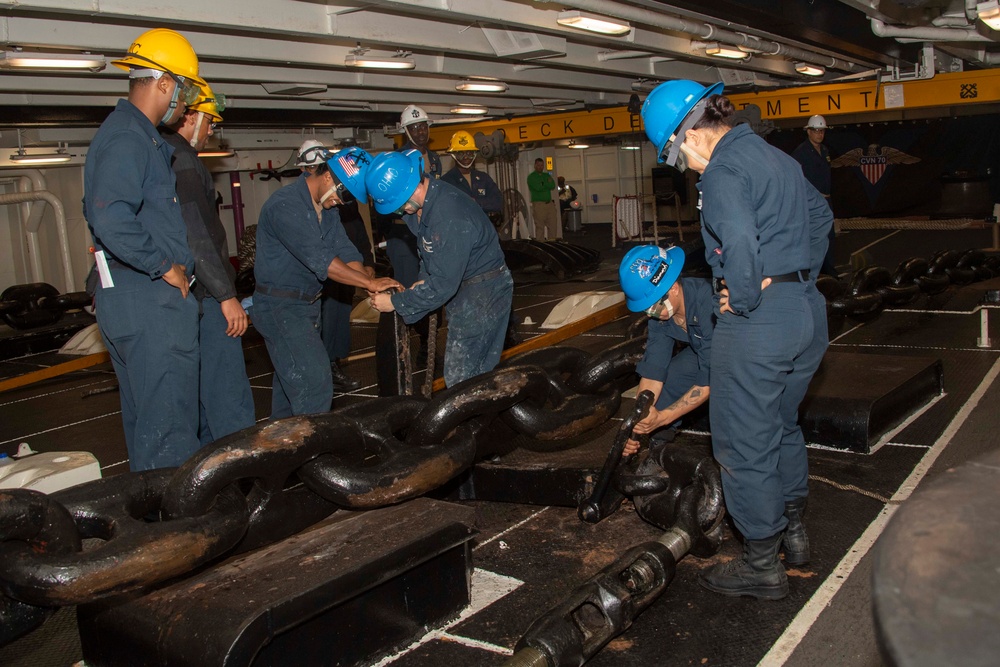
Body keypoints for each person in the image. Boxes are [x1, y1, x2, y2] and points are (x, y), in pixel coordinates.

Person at [641, 80, 832, 600]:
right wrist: (796, 276)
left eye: (676, 156)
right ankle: (794, 533)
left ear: (689, 136)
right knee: (781, 425)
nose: (685, 168)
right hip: (806, 314)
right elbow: (821, 216)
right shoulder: (778, 159)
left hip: (760, 324)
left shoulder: (723, 171)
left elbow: (740, 243)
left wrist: (744, 295)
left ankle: (761, 564)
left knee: (743, 445)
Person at [84, 28, 207, 472]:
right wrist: (166, 268)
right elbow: (110, 216)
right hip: (150, 302)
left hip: (129, 298)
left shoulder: (128, 136)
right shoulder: (129, 139)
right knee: (171, 433)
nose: (186, 103)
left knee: (150, 429)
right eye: (185, 90)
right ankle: (180, 534)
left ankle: (155, 522)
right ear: (164, 84)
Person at [253, 147, 399, 418]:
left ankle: (280, 453)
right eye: (345, 195)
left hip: (306, 307)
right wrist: (368, 283)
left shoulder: (326, 209)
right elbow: (324, 261)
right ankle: (313, 456)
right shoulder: (285, 206)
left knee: (290, 393)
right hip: (280, 307)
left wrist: (370, 281)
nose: (343, 203)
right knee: (316, 384)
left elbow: (344, 252)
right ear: (330, 178)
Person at [367, 150, 513, 387]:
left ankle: (473, 422)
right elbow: (430, 251)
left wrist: (395, 303)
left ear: (412, 187)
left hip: (482, 294)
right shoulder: (427, 205)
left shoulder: (447, 216)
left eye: (400, 204)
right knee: (473, 377)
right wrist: (423, 280)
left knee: (462, 377)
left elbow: (444, 284)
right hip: (470, 287)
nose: (400, 211)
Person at [160, 83, 255, 444]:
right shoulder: (182, 159)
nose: (212, 131)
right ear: (189, 116)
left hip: (185, 298)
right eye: (210, 122)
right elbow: (196, 235)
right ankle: (240, 469)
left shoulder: (160, 153)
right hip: (207, 295)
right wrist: (226, 295)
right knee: (226, 389)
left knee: (195, 393)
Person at [618, 246, 715, 456]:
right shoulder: (659, 314)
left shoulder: (708, 302)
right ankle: (657, 449)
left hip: (739, 356)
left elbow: (709, 380)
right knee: (671, 377)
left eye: (653, 306)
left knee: (729, 399)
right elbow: (654, 371)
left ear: (673, 288)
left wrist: (663, 418)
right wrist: (640, 421)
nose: (650, 313)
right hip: (704, 350)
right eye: (645, 308)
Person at [373, 106, 441, 395]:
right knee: (407, 287)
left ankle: (427, 342)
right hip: (404, 235)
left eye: (424, 126)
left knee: (431, 284)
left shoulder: (435, 159)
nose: (421, 132)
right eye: (415, 128)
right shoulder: (398, 160)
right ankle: (402, 345)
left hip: (429, 233)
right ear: (406, 131)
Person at [295, 139, 364, 392]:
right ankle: (324, 373)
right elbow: (320, 258)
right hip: (298, 295)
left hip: (335, 275)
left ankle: (332, 366)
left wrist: (363, 271)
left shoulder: (331, 207)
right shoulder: (291, 206)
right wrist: (366, 282)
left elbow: (346, 243)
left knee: (336, 320)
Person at [792, 115, 837, 276]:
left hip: (826, 200)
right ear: (808, 132)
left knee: (829, 236)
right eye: (816, 131)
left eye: (822, 131)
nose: (819, 134)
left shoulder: (824, 150)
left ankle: (829, 271)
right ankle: (814, 273)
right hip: (811, 203)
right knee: (814, 237)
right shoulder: (801, 153)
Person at [441, 130, 503, 226]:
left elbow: (498, 202)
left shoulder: (483, 178)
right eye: (461, 154)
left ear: (474, 154)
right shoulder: (446, 182)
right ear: (453, 155)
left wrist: (476, 202)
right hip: (459, 232)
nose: (466, 157)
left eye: (469, 153)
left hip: (484, 230)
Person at [527, 158, 558, 241]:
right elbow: (538, 187)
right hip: (539, 204)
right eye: (538, 165)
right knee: (540, 226)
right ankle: (541, 244)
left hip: (550, 204)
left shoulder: (546, 175)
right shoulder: (531, 177)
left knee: (553, 225)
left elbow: (553, 185)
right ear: (535, 165)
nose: (540, 167)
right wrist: (546, 184)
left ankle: (552, 243)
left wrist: (543, 184)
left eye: (542, 165)